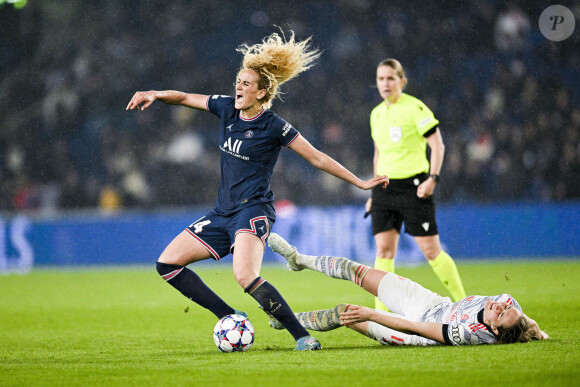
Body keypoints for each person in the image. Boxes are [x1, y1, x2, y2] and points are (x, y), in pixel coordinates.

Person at [125, 31, 388, 351]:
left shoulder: (274, 126)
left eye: (246, 83)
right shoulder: (226, 109)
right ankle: (229, 316)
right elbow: (182, 98)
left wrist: (360, 182)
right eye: (238, 80)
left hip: (253, 211)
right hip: (222, 212)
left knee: (244, 276)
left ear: (262, 93)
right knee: (167, 264)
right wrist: (154, 92)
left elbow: (316, 157)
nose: (238, 86)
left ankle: (302, 337)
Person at [267, 233, 549, 346]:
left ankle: (286, 320)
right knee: (358, 271)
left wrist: (372, 314)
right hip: (432, 302)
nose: (500, 307)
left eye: (500, 315)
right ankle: (298, 259)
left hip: (415, 331)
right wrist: (539, 333)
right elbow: (524, 321)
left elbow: (415, 328)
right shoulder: (509, 304)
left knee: (346, 313)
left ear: (494, 331)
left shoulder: (466, 334)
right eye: (506, 307)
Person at [366, 58, 466, 310]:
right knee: (384, 252)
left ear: (401, 80)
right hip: (384, 189)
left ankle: (463, 302)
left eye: (390, 78)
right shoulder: (376, 114)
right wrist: (373, 189)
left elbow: (437, 145)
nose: (385, 83)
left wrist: (433, 178)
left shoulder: (415, 108)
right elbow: (379, 153)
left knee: (431, 251)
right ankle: (382, 316)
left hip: (414, 187)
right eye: (381, 78)